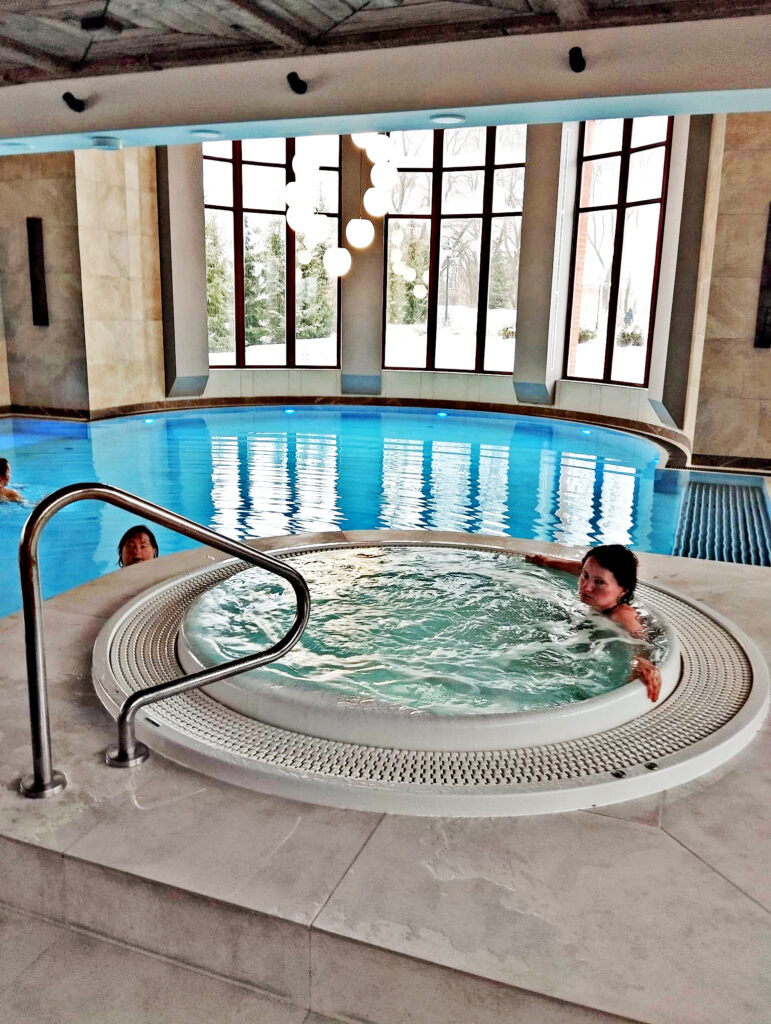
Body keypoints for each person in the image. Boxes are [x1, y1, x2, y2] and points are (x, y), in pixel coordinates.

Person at [525, 544, 662, 702]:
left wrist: (640, 662)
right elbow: (579, 568)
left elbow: (642, 643)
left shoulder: (623, 615)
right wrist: (547, 562)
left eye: (599, 582)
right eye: (585, 576)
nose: (586, 587)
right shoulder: (602, 599)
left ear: (623, 589)